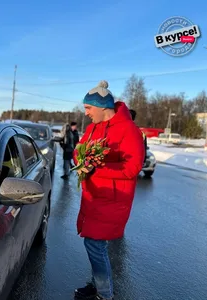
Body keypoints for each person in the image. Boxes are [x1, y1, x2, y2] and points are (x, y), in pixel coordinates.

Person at [74, 80, 145, 300]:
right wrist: (82, 161)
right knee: (95, 243)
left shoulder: (129, 130)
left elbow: (132, 167)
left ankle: (104, 294)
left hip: (113, 199)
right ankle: (97, 285)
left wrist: (97, 167)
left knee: (94, 244)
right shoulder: (93, 127)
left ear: (103, 107)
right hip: (93, 196)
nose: (86, 113)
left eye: (88, 108)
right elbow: (80, 150)